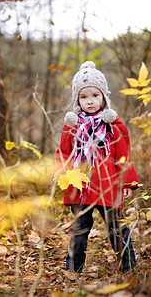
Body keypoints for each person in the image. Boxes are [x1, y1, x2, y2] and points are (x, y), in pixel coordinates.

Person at [55, 61, 139, 274]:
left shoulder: (114, 125)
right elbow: (64, 152)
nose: (90, 101)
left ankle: (129, 268)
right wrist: (62, 171)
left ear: (103, 97)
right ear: (77, 99)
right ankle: (73, 270)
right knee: (79, 229)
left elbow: (124, 155)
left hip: (108, 184)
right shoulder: (72, 127)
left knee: (117, 227)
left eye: (95, 95)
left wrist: (127, 181)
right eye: (84, 97)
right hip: (81, 184)